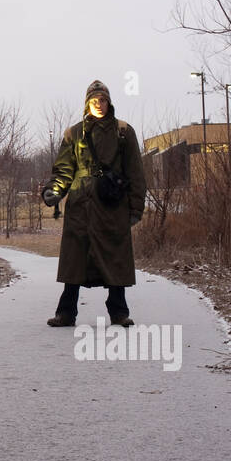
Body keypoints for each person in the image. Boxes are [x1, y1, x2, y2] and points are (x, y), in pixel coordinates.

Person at [40, 79, 146, 327]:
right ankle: (66, 313)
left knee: (115, 261)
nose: (99, 104)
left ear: (109, 102)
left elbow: (136, 174)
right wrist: (53, 191)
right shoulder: (73, 133)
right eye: (94, 100)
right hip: (81, 208)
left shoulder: (124, 132)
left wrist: (135, 209)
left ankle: (119, 313)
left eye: (103, 100)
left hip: (113, 207)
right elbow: (64, 170)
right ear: (87, 103)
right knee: (75, 261)